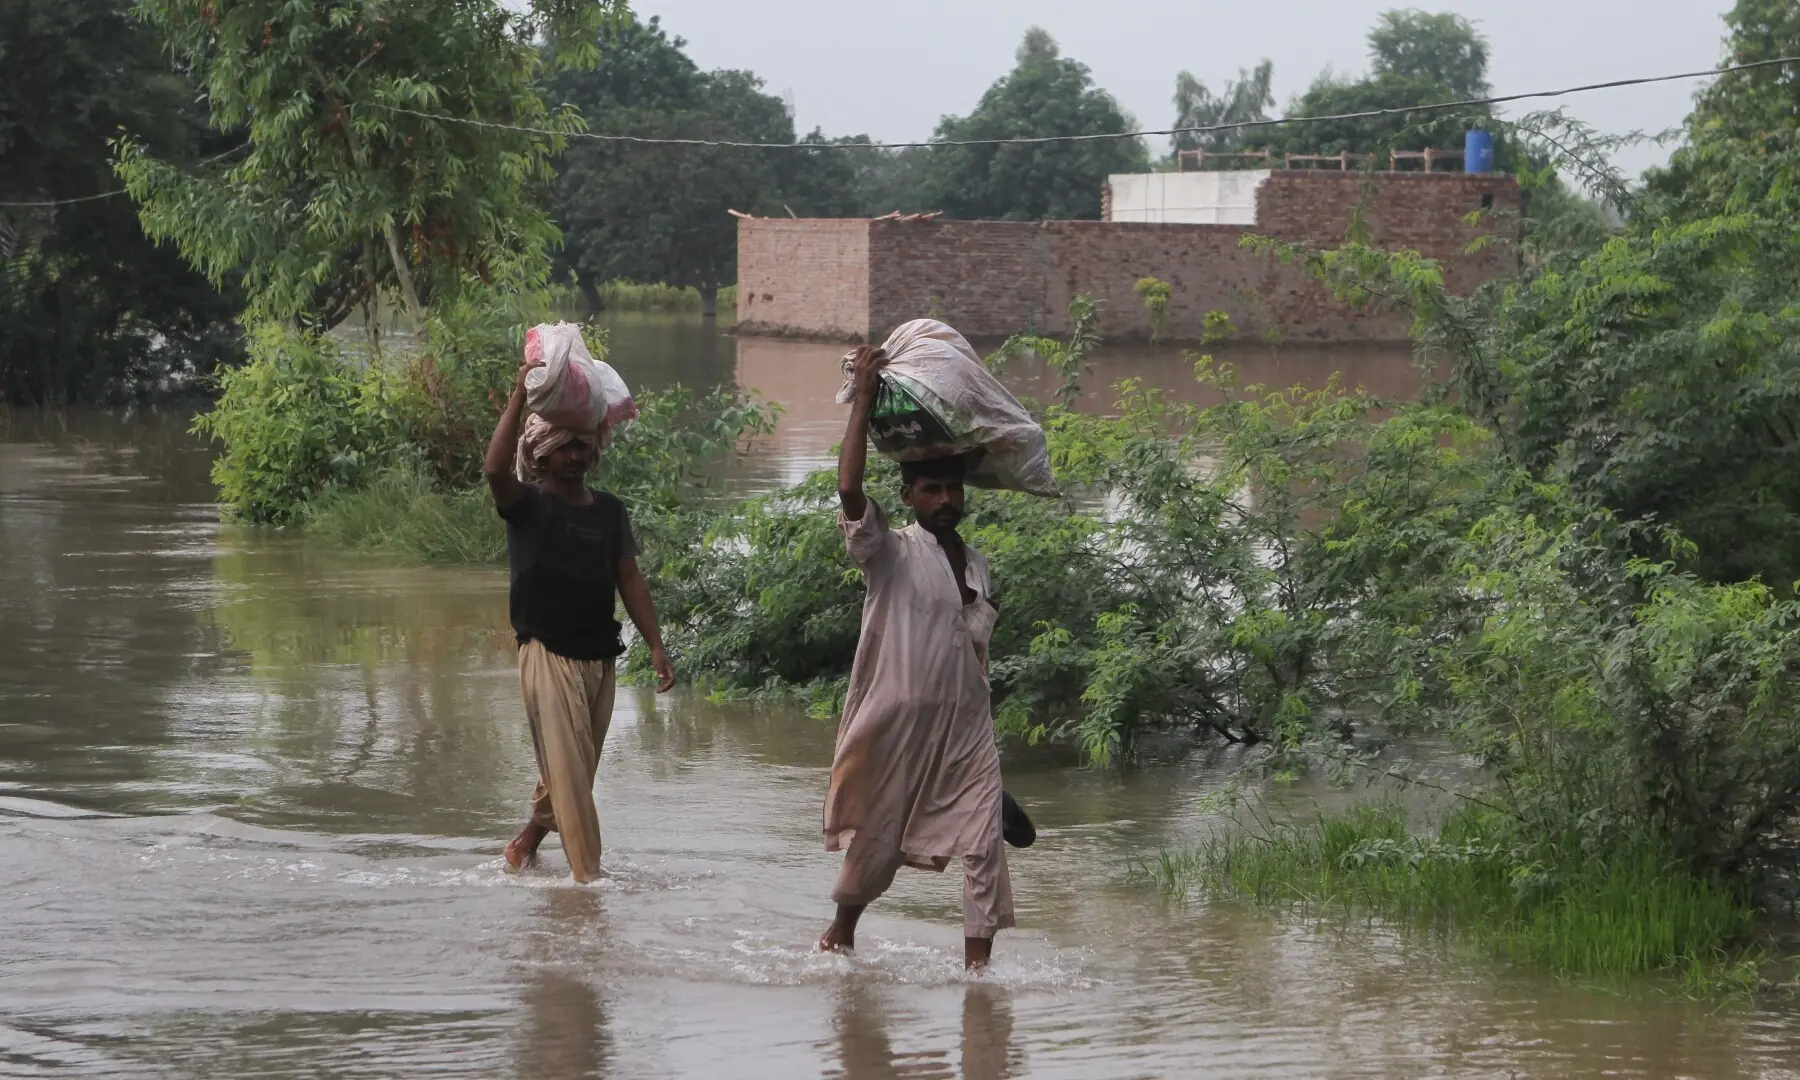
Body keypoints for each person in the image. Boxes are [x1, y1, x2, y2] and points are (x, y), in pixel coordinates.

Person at [818, 344, 1014, 970]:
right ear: (908, 495)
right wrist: (867, 400)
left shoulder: (977, 564)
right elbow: (849, 486)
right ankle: (841, 931)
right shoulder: (890, 551)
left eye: (953, 487)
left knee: (985, 847)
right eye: (932, 488)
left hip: (966, 728)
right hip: (897, 724)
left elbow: (974, 653)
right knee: (876, 845)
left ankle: (978, 976)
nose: (946, 497)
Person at [484, 354, 676, 883]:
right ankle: (589, 884)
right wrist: (518, 396)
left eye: (582, 445)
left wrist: (656, 645)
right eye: (563, 445)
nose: (574, 454)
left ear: (595, 453)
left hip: (599, 656)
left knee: (575, 774)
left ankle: (525, 841)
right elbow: (495, 469)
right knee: (569, 774)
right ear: (541, 455)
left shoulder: (610, 512)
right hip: (546, 651)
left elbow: (629, 580)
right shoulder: (526, 505)